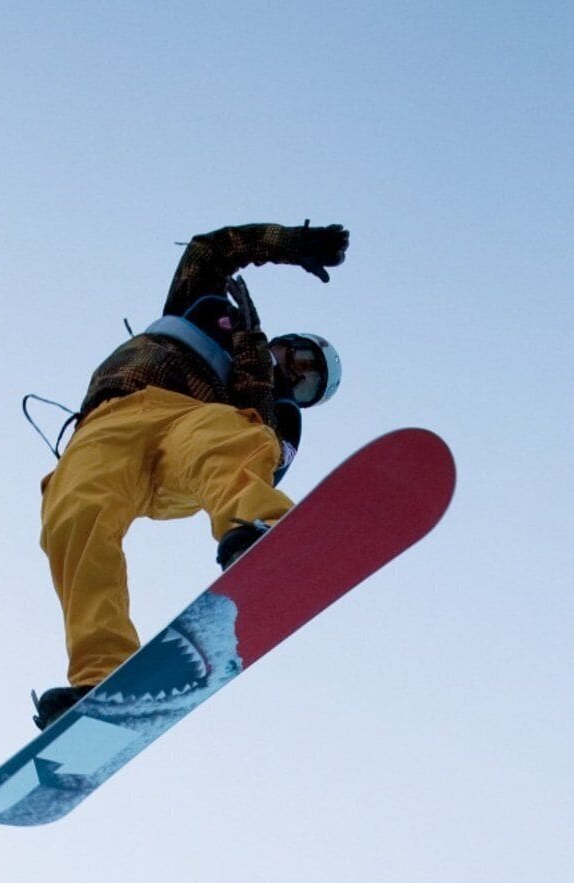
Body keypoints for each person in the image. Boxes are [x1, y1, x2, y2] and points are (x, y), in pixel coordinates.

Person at [33, 223, 351, 725]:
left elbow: (258, 453)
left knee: (229, 437)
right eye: (301, 355)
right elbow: (212, 251)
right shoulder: (206, 318)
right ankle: (103, 676)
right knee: (75, 514)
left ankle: (261, 533)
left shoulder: (278, 407)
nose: (296, 371)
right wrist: (292, 244)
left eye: (308, 381)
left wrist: (258, 377)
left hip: (191, 428)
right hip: (108, 424)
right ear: (287, 339)